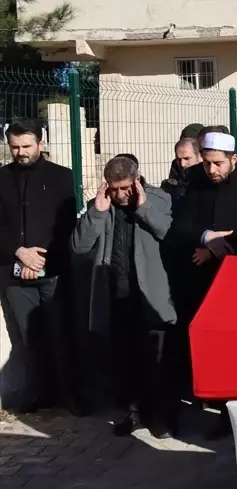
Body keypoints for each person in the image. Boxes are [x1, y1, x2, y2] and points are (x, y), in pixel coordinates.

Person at [170, 131, 237, 438]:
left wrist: (220, 243)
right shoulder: (196, 183)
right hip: (204, 280)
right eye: (207, 163)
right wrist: (206, 238)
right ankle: (223, 412)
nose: (212, 170)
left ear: (234, 159)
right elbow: (181, 226)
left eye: (218, 164)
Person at [71, 155, 178, 437]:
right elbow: (80, 246)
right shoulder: (103, 205)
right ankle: (133, 413)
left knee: (156, 364)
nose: (119, 195)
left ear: (137, 179)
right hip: (117, 298)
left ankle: (160, 418)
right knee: (126, 362)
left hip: (151, 297)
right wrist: (96, 212)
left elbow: (171, 234)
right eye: (114, 188)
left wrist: (143, 209)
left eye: (125, 188)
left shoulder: (159, 199)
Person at [0, 120, 80, 414]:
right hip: (13, 274)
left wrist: (40, 261)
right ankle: (41, 393)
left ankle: (71, 396)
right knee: (30, 339)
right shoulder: (2, 178)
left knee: (61, 335)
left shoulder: (62, 177)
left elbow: (66, 226)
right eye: (15, 147)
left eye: (26, 146)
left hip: (53, 271)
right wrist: (19, 252)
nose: (20, 152)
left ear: (41, 144)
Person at [161, 137, 202, 204]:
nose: (182, 164)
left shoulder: (211, 184)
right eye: (179, 159)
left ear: (200, 156)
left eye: (187, 158)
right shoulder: (169, 186)